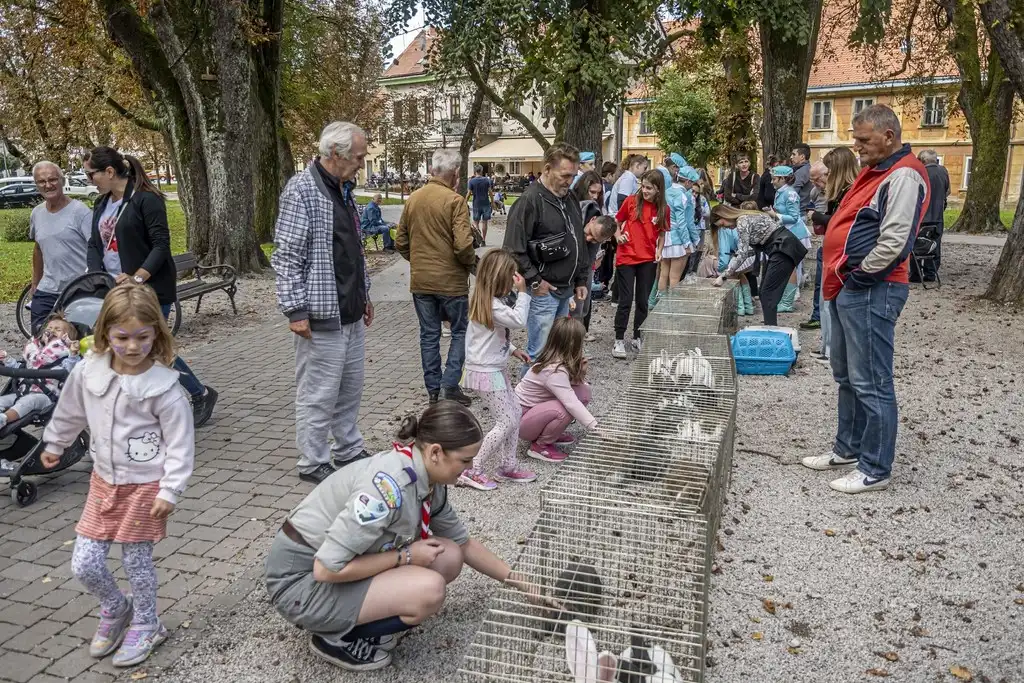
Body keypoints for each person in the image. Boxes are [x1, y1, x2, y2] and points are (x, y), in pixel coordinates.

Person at [263, 403, 552, 672]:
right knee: (429, 590)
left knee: (448, 554)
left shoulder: (425, 475)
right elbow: (326, 569)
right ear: (436, 452)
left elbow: (463, 544)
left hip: (331, 569)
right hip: (300, 586)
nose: (469, 468)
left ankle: (361, 615)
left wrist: (525, 585)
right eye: (465, 460)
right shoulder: (387, 489)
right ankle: (336, 638)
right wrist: (406, 557)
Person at [39, 284, 195, 667]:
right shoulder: (88, 371)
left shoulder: (164, 388)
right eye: (122, 337)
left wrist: (170, 490)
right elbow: (71, 410)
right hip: (103, 485)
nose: (131, 346)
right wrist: (55, 443)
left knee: (136, 563)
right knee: (85, 563)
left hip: (145, 489)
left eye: (142, 337)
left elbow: (180, 444)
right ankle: (115, 606)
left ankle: (147, 622)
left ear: (156, 333)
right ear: (104, 332)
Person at [802, 104, 928, 494]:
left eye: (863, 139)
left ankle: (875, 466)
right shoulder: (877, 171)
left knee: (871, 378)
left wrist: (858, 277)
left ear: (888, 136)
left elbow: (895, 240)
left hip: (872, 287)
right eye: (856, 139)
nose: (856, 147)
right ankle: (848, 448)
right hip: (847, 287)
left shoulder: (903, 174)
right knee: (846, 375)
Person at [84, 146, 217, 428]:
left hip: (148, 287)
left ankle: (197, 394)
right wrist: (96, 275)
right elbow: (95, 244)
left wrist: (137, 277)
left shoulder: (146, 200)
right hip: (114, 289)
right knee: (131, 348)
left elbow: (160, 246)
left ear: (109, 172)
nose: (89, 180)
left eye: (90, 174)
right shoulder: (101, 204)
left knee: (151, 349)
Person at [273, 121, 376, 484]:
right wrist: (295, 309)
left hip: (349, 307)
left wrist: (365, 293)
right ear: (336, 153)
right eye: (359, 157)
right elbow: (287, 255)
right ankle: (313, 459)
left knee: (350, 387)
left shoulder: (343, 189)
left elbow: (354, 247)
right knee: (318, 392)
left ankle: (348, 448)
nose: (361, 164)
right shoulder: (302, 189)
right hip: (320, 313)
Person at [396, 148, 477, 406]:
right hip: (451, 283)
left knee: (428, 334)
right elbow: (464, 245)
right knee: (460, 331)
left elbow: (400, 241)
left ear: (432, 171)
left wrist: (419, 261)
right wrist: (473, 265)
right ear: (454, 174)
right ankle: (449, 385)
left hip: (421, 282)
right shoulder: (455, 201)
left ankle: (433, 389)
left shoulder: (413, 199)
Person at [503, 143, 590, 366]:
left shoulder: (568, 198)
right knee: (539, 353)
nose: (569, 181)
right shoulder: (529, 201)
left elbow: (578, 240)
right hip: (544, 292)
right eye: (565, 175)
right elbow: (513, 249)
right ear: (547, 169)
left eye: (573, 175)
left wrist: (581, 278)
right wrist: (535, 281)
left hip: (565, 289)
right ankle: (526, 399)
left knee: (557, 352)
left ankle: (547, 398)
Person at [458, 250, 533, 490]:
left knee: (516, 412)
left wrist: (512, 350)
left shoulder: (490, 302)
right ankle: (472, 469)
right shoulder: (493, 305)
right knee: (507, 420)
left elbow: (488, 337)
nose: (513, 282)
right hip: (486, 373)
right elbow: (519, 320)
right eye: (509, 278)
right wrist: (523, 293)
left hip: (494, 368)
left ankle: (507, 466)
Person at [516, 317, 597, 463]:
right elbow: (571, 402)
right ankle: (540, 446)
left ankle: (551, 433)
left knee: (583, 392)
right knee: (564, 408)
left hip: (533, 414)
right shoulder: (553, 370)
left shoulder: (556, 360)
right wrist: (597, 428)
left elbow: (576, 390)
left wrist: (580, 374)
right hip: (521, 421)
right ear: (573, 344)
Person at [804, 147, 859, 362]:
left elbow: (842, 222)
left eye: (821, 178)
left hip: (841, 257)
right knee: (826, 301)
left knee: (832, 305)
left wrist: (817, 216)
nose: (819, 185)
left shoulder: (850, 193)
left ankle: (833, 350)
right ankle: (828, 347)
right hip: (831, 252)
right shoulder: (836, 194)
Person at [710, 204, 806, 326]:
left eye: (723, 224)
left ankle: (770, 329)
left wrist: (723, 276)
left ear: (725, 215)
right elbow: (756, 244)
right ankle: (770, 326)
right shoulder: (749, 215)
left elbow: (742, 252)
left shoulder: (742, 221)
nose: (727, 228)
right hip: (784, 246)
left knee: (767, 293)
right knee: (765, 292)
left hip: (782, 248)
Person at [26, 161, 93, 333]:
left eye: (53, 179)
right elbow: (38, 249)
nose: (48, 185)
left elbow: (96, 249)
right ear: (36, 184)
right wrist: (35, 283)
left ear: (62, 181)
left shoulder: (80, 212)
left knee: (76, 345)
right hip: (47, 290)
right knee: (41, 340)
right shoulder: (37, 213)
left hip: (77, 291)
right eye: (42, 181)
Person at [612, 169, 667, 359]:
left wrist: (659, 250)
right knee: (626, 300)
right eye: (643, 186)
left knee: (643, 300)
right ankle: (619, 338)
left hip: (647, 259)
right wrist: (618, 237)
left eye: (649, 188)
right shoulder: (631, 202)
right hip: (627, 257)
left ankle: (637, 336)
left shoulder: (662, 209)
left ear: (658, 189)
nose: (644, 191)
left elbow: (661, 233)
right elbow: (616, 223)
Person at [0, 314, 80, 441]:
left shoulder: (64, 356)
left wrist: (73, 353)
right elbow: (21, 369)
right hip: (23, 391)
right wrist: (7, 359)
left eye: (57, 330)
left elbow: (71, 370)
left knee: (28, 402)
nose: (52, 331)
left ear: (66, 338)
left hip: (46, 397)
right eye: (49, 328)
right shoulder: (36, 354)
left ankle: (4, 419)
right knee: (3, 400)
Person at [569, 171, 617, 337]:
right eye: (592, 192)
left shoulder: (593, 210)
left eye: (598, 193)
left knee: (582, 304)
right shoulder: (575, 207)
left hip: (585, 265)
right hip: (569, 266)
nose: (595, 197)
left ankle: (579, 335)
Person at [763, 165, 811, 312]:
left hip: (795, 234)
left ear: (783, 179)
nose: (772, 182)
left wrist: (775, 215)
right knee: (787, 267)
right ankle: (786, 298)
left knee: (791, 268)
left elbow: (794, 217)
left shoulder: (790, 194)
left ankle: (789, 300)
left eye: (774, 179)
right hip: (787, 234)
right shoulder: (781, 192)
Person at [654, 166, 694, 299]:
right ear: (687, 182)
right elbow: (682, 222)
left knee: (663, 274)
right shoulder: (682, 195)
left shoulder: (667, 191)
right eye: (692, 183)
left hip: (664, 237)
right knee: (675, 277)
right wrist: (687, 242)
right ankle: (673, 306)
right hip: (677, 239)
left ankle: (659, 304)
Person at [800, 161, 829, 331]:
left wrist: (817, 216)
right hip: (825, 240)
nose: (814, 184)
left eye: (817, 180)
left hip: (835, 243)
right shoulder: (816, 191)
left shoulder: (840, 191)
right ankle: (817, 316)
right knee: (819, 283)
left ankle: (821, 317)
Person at [916, 149, 950, 282]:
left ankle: (916, 274)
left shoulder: (920, 173)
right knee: (935, 244)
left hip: (922, 215)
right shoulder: (943, 171)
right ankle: (930, 274)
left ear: (922, 161)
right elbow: (948, 191)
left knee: (917, 245)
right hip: (938, 216)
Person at [466, 165, 494, 244]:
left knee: (476, 222)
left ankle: (478, 239)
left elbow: (468, 194)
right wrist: (492, 202)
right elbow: (490, 192)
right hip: (485, 203)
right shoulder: (486, 180)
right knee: (485, 222)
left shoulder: (471, 181)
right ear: (481, 171)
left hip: (476, 204)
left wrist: (464, 203)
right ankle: (484, 240)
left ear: (475, 171)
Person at [790, 143, 812, 209]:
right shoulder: (808, 169)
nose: (791, 157)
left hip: (799, 212)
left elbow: (792, 195)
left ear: (802, 157)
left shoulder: (801, 172)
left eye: (794, 154)